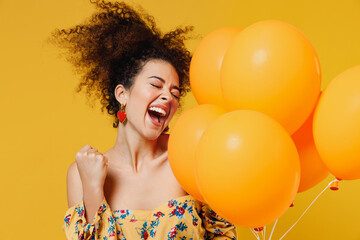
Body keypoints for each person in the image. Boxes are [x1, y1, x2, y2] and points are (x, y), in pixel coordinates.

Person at [51, 0, 238, 239]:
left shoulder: (193, 156)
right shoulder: (82, 173)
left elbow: (223, 234)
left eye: (175, 93)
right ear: (122, 94)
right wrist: (93, 188)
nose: (167, 97)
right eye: (155, 85)